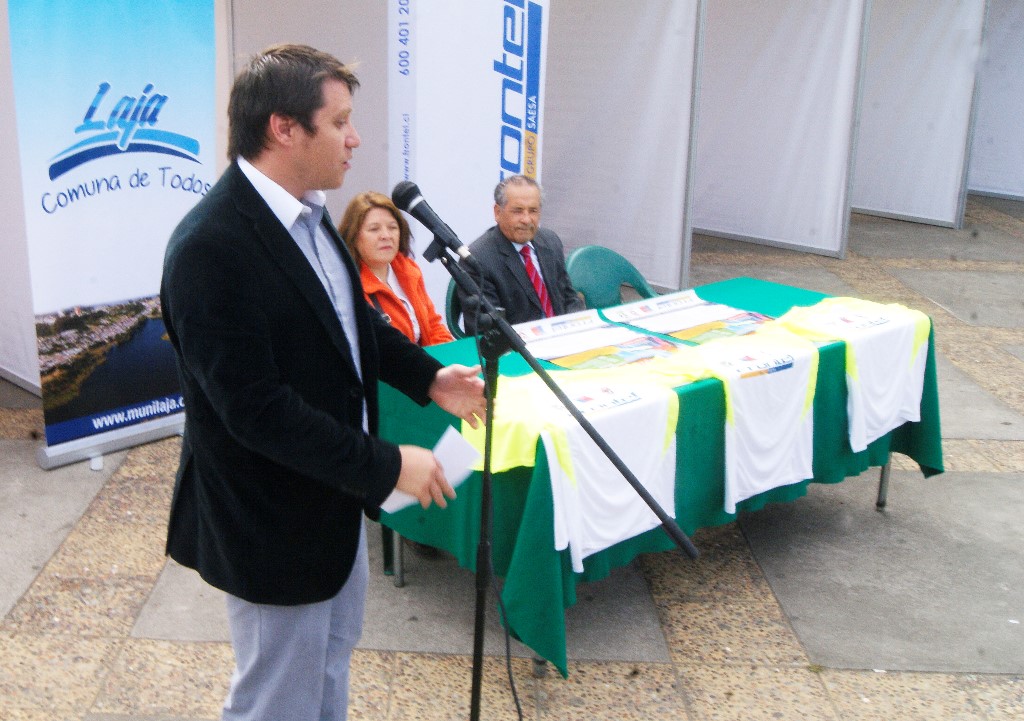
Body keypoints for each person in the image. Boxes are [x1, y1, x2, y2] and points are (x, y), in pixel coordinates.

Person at [159, 44, 485, 721]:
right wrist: (389, 464)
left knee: (329, 667)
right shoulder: (209, 248)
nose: (354, 138)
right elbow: (256, 411)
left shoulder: (311, 214)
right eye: (339, 122)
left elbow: (352, 324)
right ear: (284, 128)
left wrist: (429, 376)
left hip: (331, 502)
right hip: (271, 523)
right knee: (277, 698)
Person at [460, 174, 585, 334]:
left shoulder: (550, 241)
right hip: (518, 345)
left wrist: (579, 330)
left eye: (533, 211)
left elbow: (569, 298)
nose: (526, 219)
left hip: (564, 336)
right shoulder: (477, 260)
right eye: (518, 211)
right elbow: (489, 331)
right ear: (497, 212)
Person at [338, 191, 454, 346]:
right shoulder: (350, 287)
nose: (386, 235)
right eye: (374, 229)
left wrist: (446, 355)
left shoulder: (408, 270)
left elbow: (433, 326)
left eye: (392, 227)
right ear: (354, 236)